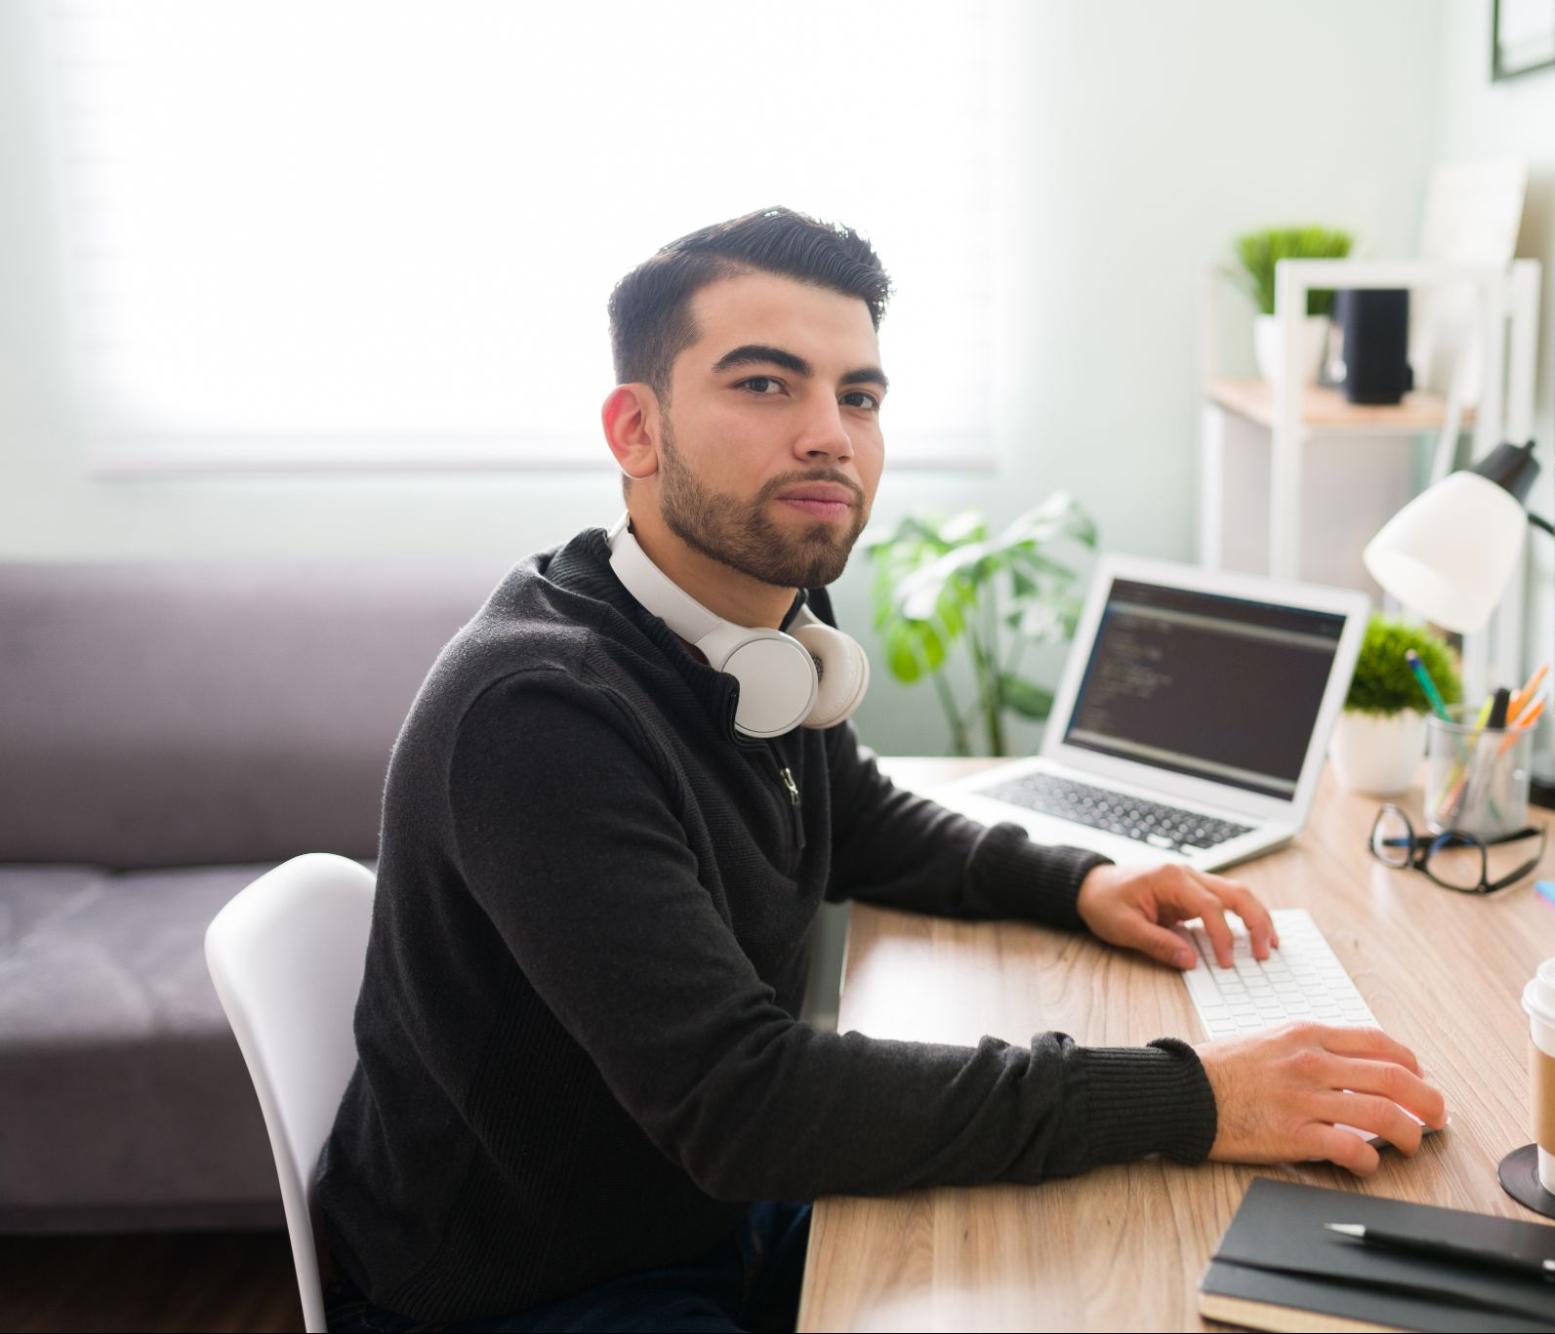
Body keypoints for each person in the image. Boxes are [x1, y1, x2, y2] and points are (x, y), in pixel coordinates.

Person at [315, 207, 1446, 1333]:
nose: (830, 436)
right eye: (765, 384)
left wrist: (1074, 882)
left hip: (693, 1208)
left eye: (857, 395)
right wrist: (1190, 1091)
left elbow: (851, 818)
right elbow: (747, 1103)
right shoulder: (538, 714)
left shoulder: (764, 617)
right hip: (528, 1280)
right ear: (635, 430)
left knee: (1098, 1266)